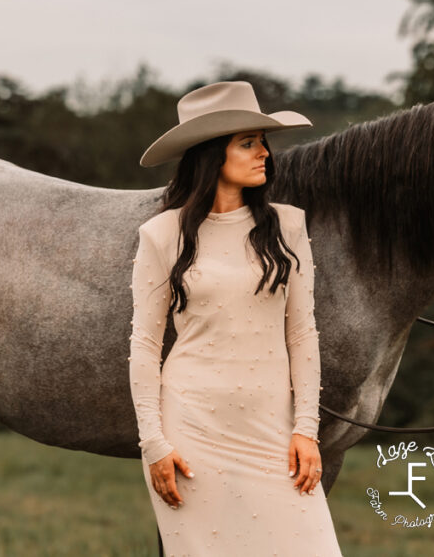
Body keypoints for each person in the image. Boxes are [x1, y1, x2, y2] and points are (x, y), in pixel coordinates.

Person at [129, 81, 344, 555]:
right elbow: (144, 345)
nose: (264, 153)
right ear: (211, 154)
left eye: (262, 141)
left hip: (274, 431)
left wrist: (306, 430)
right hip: (191, 432)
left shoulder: (288, 226)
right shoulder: (161, 235)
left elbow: (303, 335)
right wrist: (154, 444)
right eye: (248, 142)